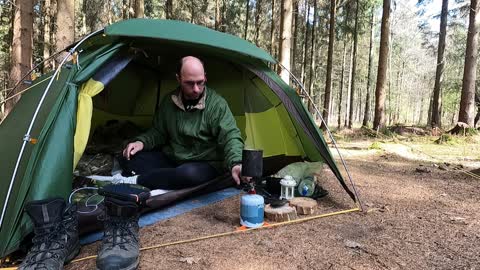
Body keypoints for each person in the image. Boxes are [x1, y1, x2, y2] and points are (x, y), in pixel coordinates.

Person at [104, 56, 247, 189]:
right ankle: (165, 177)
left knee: (188, 175)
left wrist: (236, 163)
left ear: (205, 78)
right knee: (128, 157)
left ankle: (136, 181)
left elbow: (230, 136)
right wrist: (141, 142)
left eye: (200, 82)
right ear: (179, 79)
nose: (196, 89)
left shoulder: (217, 105)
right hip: (174, 159)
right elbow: (158, 132)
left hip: (205, 164)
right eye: (190, 83)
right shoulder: (169, 102)